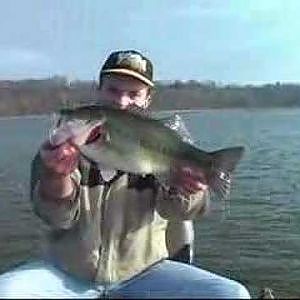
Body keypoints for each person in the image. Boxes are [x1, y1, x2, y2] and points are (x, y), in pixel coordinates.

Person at [0, 50, 251, 298]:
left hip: (146, 273)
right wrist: (57, 176)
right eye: (113, 90)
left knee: (232, 294)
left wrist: (189, 188)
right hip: (67, 275)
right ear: (99, 90)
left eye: (133, 94)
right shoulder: (59, 150)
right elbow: (56, 218)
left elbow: (182, 212)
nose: (121, 101)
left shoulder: (161, 140)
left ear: (148, 98)